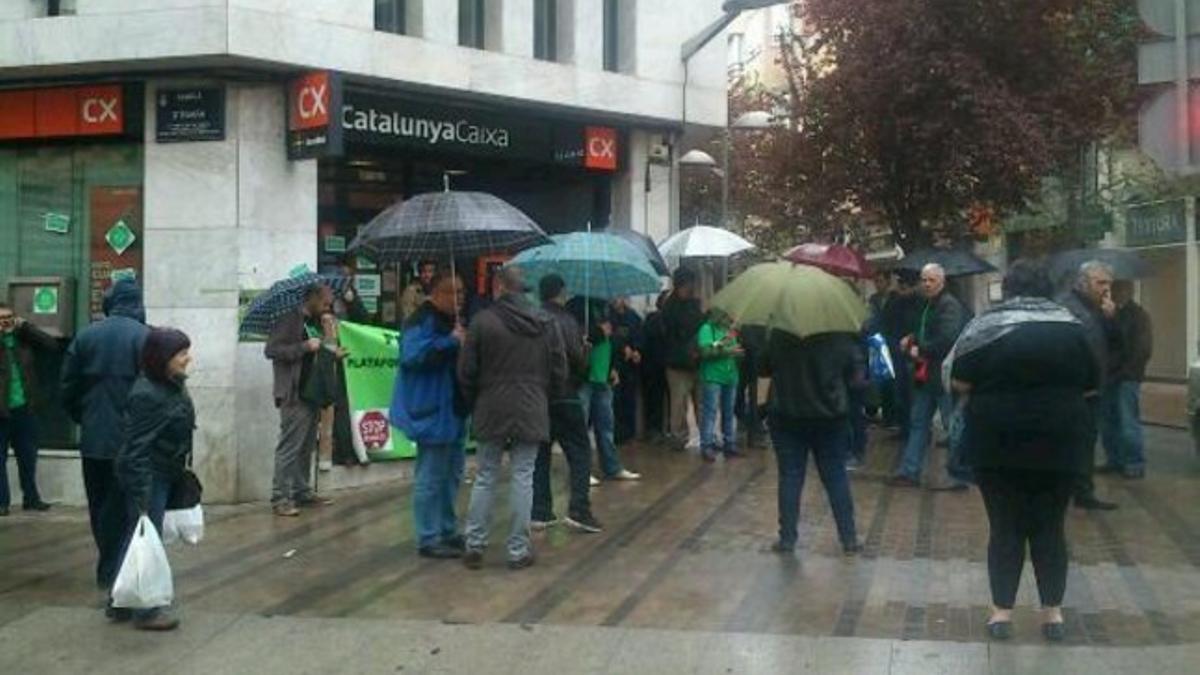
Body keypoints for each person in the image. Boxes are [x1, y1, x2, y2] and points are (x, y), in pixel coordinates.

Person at [948, 261, 1099, 642]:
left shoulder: (985, 326)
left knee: (1005, 527)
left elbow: (960, 380)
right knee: (1050, 527)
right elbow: (1092, 385)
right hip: (1061, 441)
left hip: (997, 442)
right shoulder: (1073, 328)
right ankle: (1053, 615)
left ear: (1008, 289)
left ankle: (1001, 614)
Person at [458, 267, 566, 570]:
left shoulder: (482, 322)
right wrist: (547, 398)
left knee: (485, 475)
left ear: (499, 287)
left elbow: (467, 372)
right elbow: (560, 369)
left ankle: (474, 544)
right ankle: (518, 550)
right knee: (523, 476)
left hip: (491, 404)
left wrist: (473, 401)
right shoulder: (546, 323)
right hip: (532, 404)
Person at [60, 279, 150, 593]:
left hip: (94, 440)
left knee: (99, 506)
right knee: (128, 510)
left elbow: (67, 388)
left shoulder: (86, 336)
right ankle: (120, 570)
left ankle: (107, 566)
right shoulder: (146, 337)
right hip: (132, 440)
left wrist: (83, 418)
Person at [113, 327, 196, 631]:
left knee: (137, 534)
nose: (188, 359)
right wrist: (142, 492)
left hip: (165, 469)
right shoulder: (147, 393)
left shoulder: (172, 385)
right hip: (149, 474)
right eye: (181, 353)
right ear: (163, 357)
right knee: (147, 537)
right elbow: (136, 447)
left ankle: (120, 600)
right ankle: (147, 610)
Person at [763, 329, 864, 555]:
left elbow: (763, 366)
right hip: (830, 416)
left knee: (790, 476)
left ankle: (787, 538)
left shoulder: (781, 334)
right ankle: (849, 538)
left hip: (787, 414)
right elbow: (856, 376)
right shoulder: (839, 335)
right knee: (836, 476)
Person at [391, 273, 469, 559]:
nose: (460, 297)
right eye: (453, 292)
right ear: (436, 293)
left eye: (462, 292)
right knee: (431, 475)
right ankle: (428, 536)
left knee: (452, 474)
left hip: (454, 408)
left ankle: (447, 530)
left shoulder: (454, 322)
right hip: (433, 410)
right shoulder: (421, 320)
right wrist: (450, 342)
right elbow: (411, 356)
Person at [531, 275, 604, 533]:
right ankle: (579, 509)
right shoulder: (567, 320)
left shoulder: (532, 318)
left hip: (539, 396)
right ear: (560, 293)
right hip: (565, 393)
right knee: (580, 450)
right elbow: (577, 360)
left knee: (541, 452)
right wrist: (584, 348)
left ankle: (540, 510)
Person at [889, 263, 970, 489]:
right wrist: (912, 337)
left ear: (941, 282)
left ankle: (958, 473)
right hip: (924, 374)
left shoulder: (949, 305)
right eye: (924, 279)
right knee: (918, 423)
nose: (926, 284)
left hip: (942, 374)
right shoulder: (929, 304)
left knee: (951, 424)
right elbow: (927, 330)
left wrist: (920, 349)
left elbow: (947, 338)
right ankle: (910, 471)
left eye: (931, 280)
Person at [265, 283, 341, 517]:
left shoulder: (317, 322)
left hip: (312, 391)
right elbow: (272, 350)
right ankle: (281, 496)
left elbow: (319, 352)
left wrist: (332, 349)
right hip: (293, 392)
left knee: (306, 445)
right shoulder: (290, 319)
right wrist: (303, 346)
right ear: (313, 298)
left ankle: (301, 491)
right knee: (290, 446)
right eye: (325, 303)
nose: (328, 307)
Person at [1057, 261, 1120, 511]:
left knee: (1086, 440)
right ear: (1084, 283)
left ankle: (1083, 491)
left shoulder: (1099, 309)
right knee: (1071, 440)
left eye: (1109, 283)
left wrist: (1111, 319)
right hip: (1074, 387)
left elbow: (1115, 345)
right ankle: (1067, 490)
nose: (1106, 289)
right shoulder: (1068, 307)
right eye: (1100, 283)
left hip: (1093, 387)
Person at [0, 303, 57, 516]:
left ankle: (31, 498)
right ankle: (2, 502)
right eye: (0, 319)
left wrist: (26, 327)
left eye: (8, 318)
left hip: (25, 409)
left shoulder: (23, 342)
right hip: (2, 412)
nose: (5, 323)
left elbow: (50, 345)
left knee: (28, 457)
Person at [578, 301, 641, 482]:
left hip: (603, 375)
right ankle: (582, 470)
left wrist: (613, 366)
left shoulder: (608, 311)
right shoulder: (578, 307)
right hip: (585, 376)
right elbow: (577, 340)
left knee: (606, 426)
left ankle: (612, 467)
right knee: (582, 426)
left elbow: (612, 340)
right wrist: (597, 332)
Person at [1099, 280, 1153, 480]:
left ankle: (1134, 463)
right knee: (1108, 421)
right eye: (1114, 289)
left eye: (1120, 289)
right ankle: (1114, 460)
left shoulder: (1138, 316)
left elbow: (1141, 348)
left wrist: (1129, 371)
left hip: (1127, 377)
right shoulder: (1109, 314)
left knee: (1127, 419)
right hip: (1109, 376)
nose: (1116, 293)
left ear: (1129, 291)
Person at [662, 268, 705, 451]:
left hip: (697, 361)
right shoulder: (670, 307)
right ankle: (678, 436)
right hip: (677, 363)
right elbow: (682, 327)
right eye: (688, 284)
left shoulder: (694, 304)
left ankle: (707, 434)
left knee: (702, 402)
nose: (691, 288)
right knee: (678, 404)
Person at [697, 310, 743, 461]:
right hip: (712, 376)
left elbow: (734, 349)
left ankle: (729, 443)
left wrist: (738, 353)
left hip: (730, 375)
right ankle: (707, 444)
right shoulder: (706, 329)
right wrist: (728, 350)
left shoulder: (730, 330)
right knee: (710, 412)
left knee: (729, 411)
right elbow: (705, 351)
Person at [882, 272, 923, 437]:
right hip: (906, 353)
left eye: (903, 285)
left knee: (911, 395)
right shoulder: (904, 301)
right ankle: (910, 429)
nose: (901, 288)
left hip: (910, 353)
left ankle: (912, 430)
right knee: (908, 394)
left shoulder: (910, 301)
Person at [609, 296, 643, 446]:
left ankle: (629, 433)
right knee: (615, 401)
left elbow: (640, 336)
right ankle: (616, 434)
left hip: (630, 366)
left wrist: (637, 350)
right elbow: (608, 337)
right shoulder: (607, 315)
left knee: (629, 400)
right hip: (613, 364)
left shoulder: (633, 317)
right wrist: (622, 347)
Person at [640, 292, 670, 442]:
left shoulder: (674, 318)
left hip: (669, 364)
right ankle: (654, 430)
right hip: (653, 366)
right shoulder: (653, 319)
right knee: (654, 400)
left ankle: (667, 429)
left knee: (669, 400)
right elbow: (646, 340)